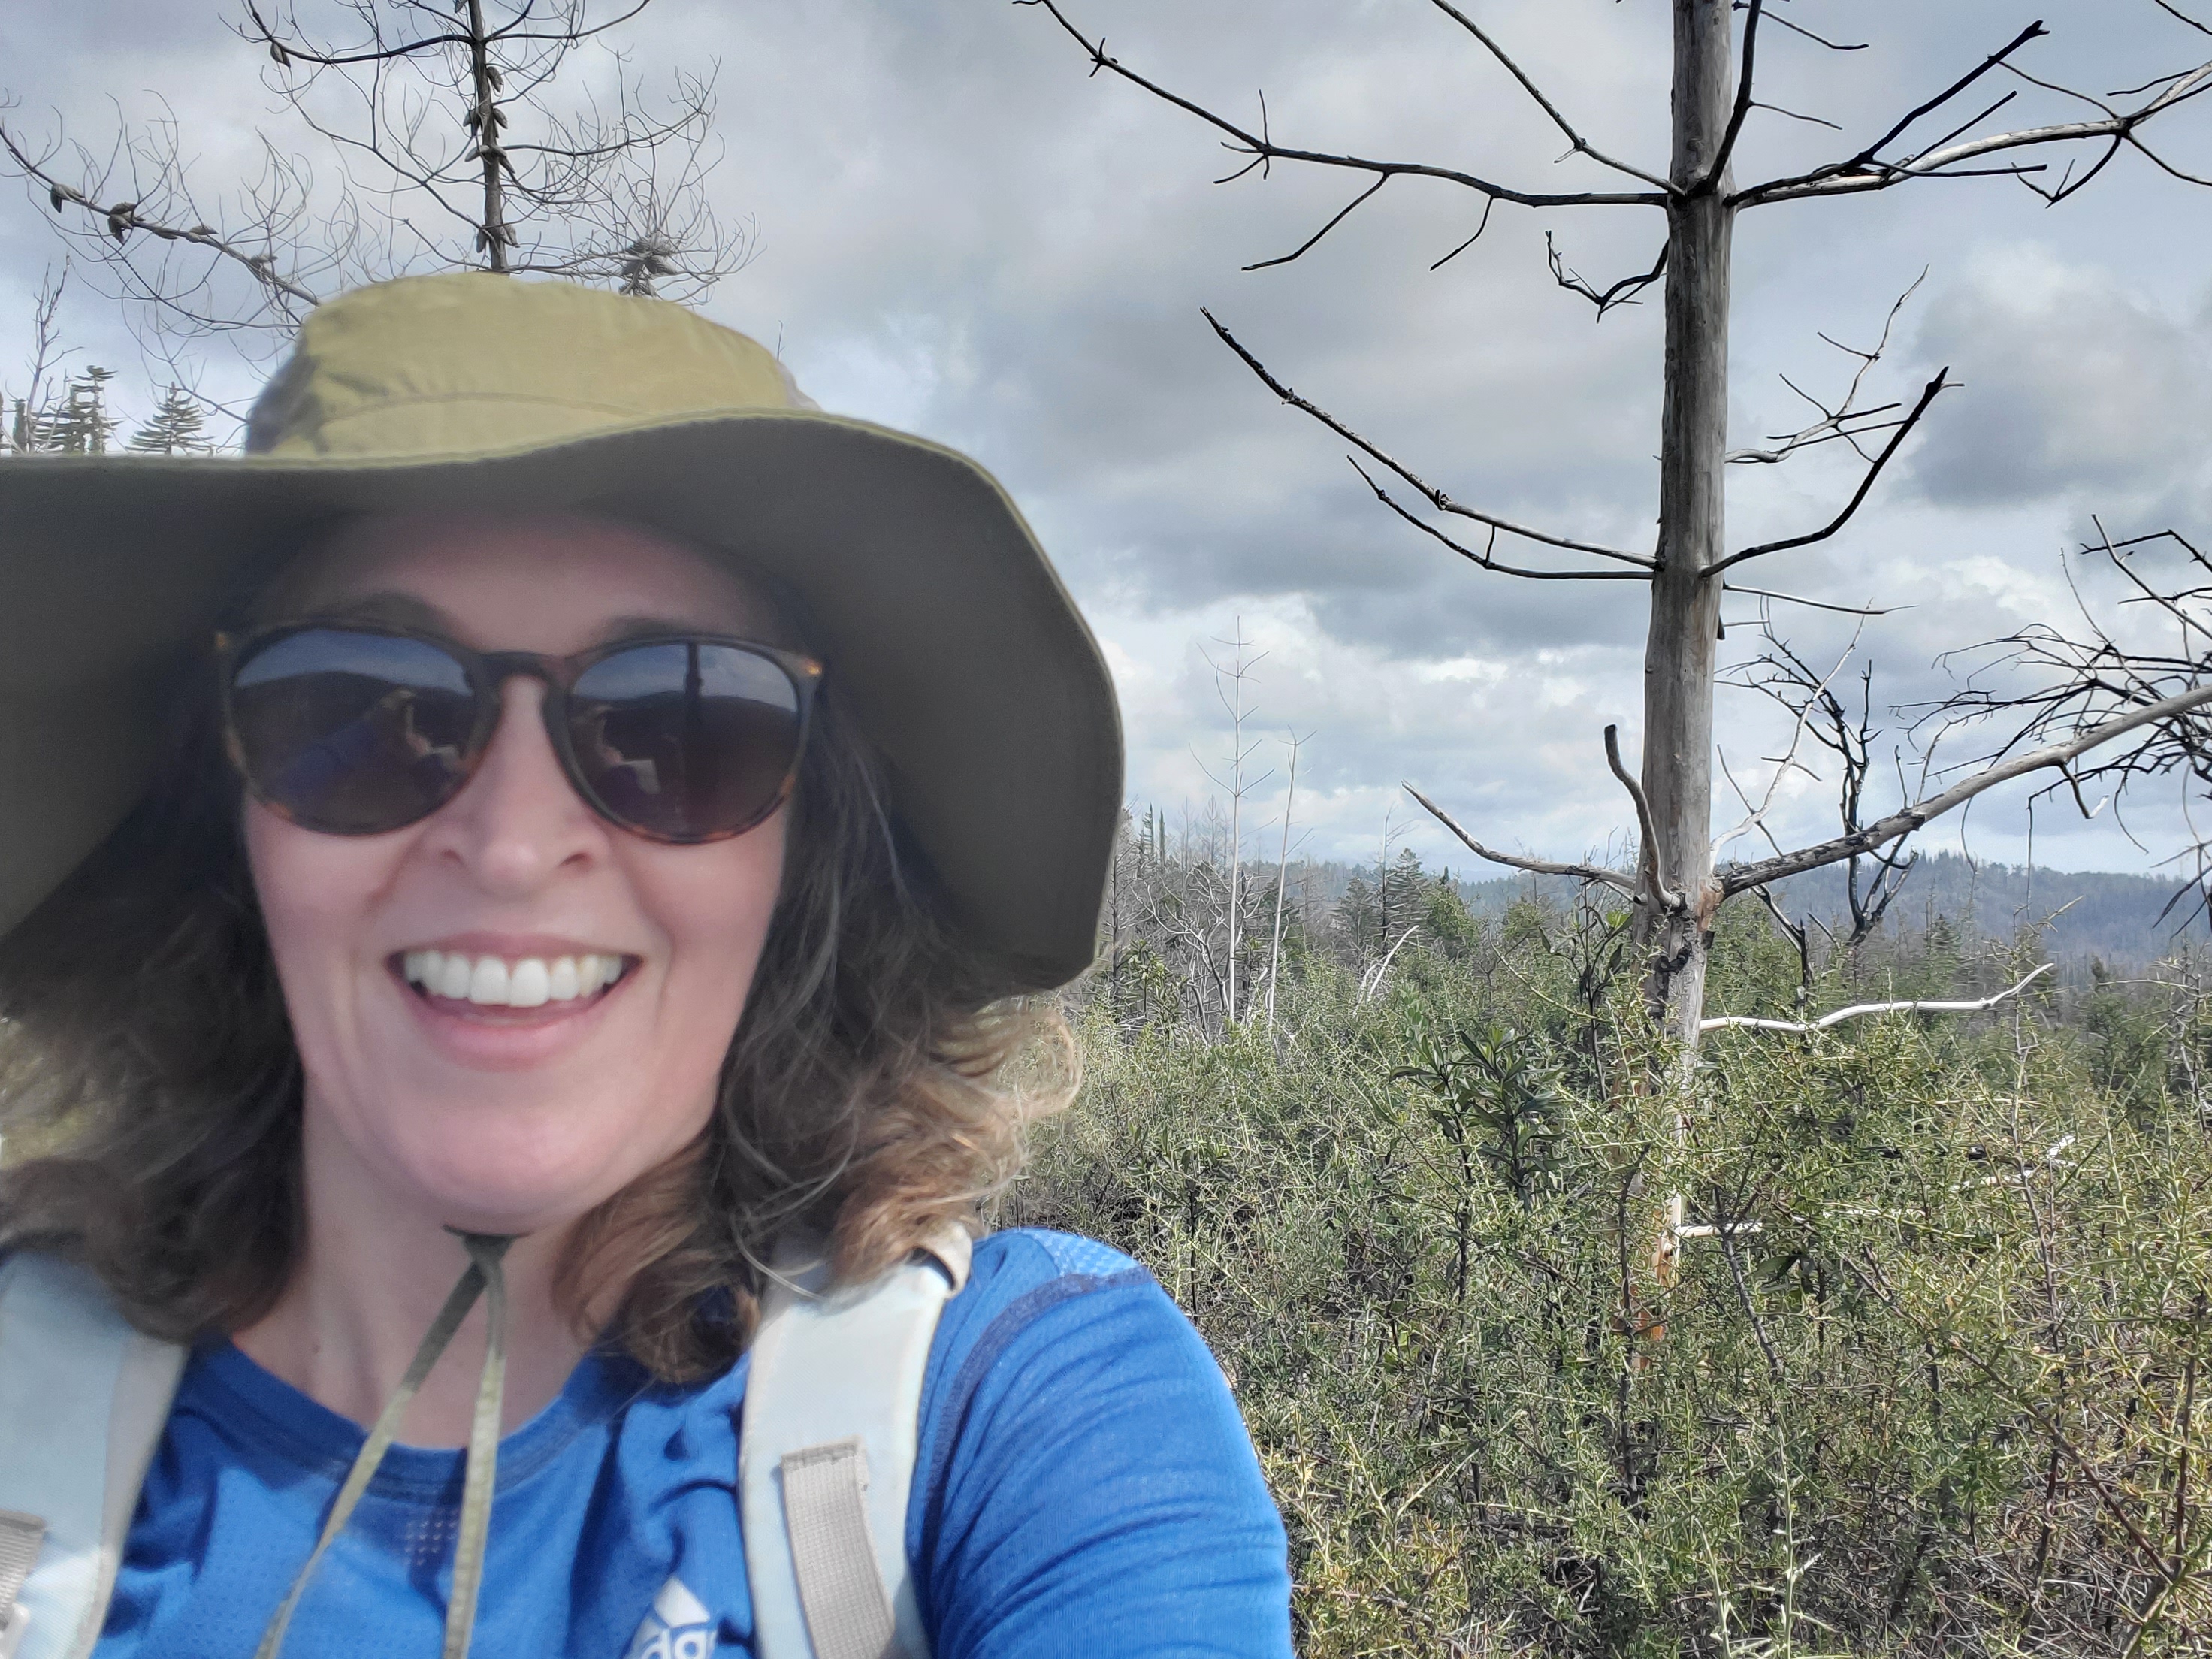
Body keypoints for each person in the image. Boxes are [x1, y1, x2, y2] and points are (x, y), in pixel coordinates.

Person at [0, 274, 1292, 1657]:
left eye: (684, 728)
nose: (508, 845)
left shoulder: (1013, 1419)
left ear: (807, 854)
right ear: (227, 814)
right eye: (357, 712)